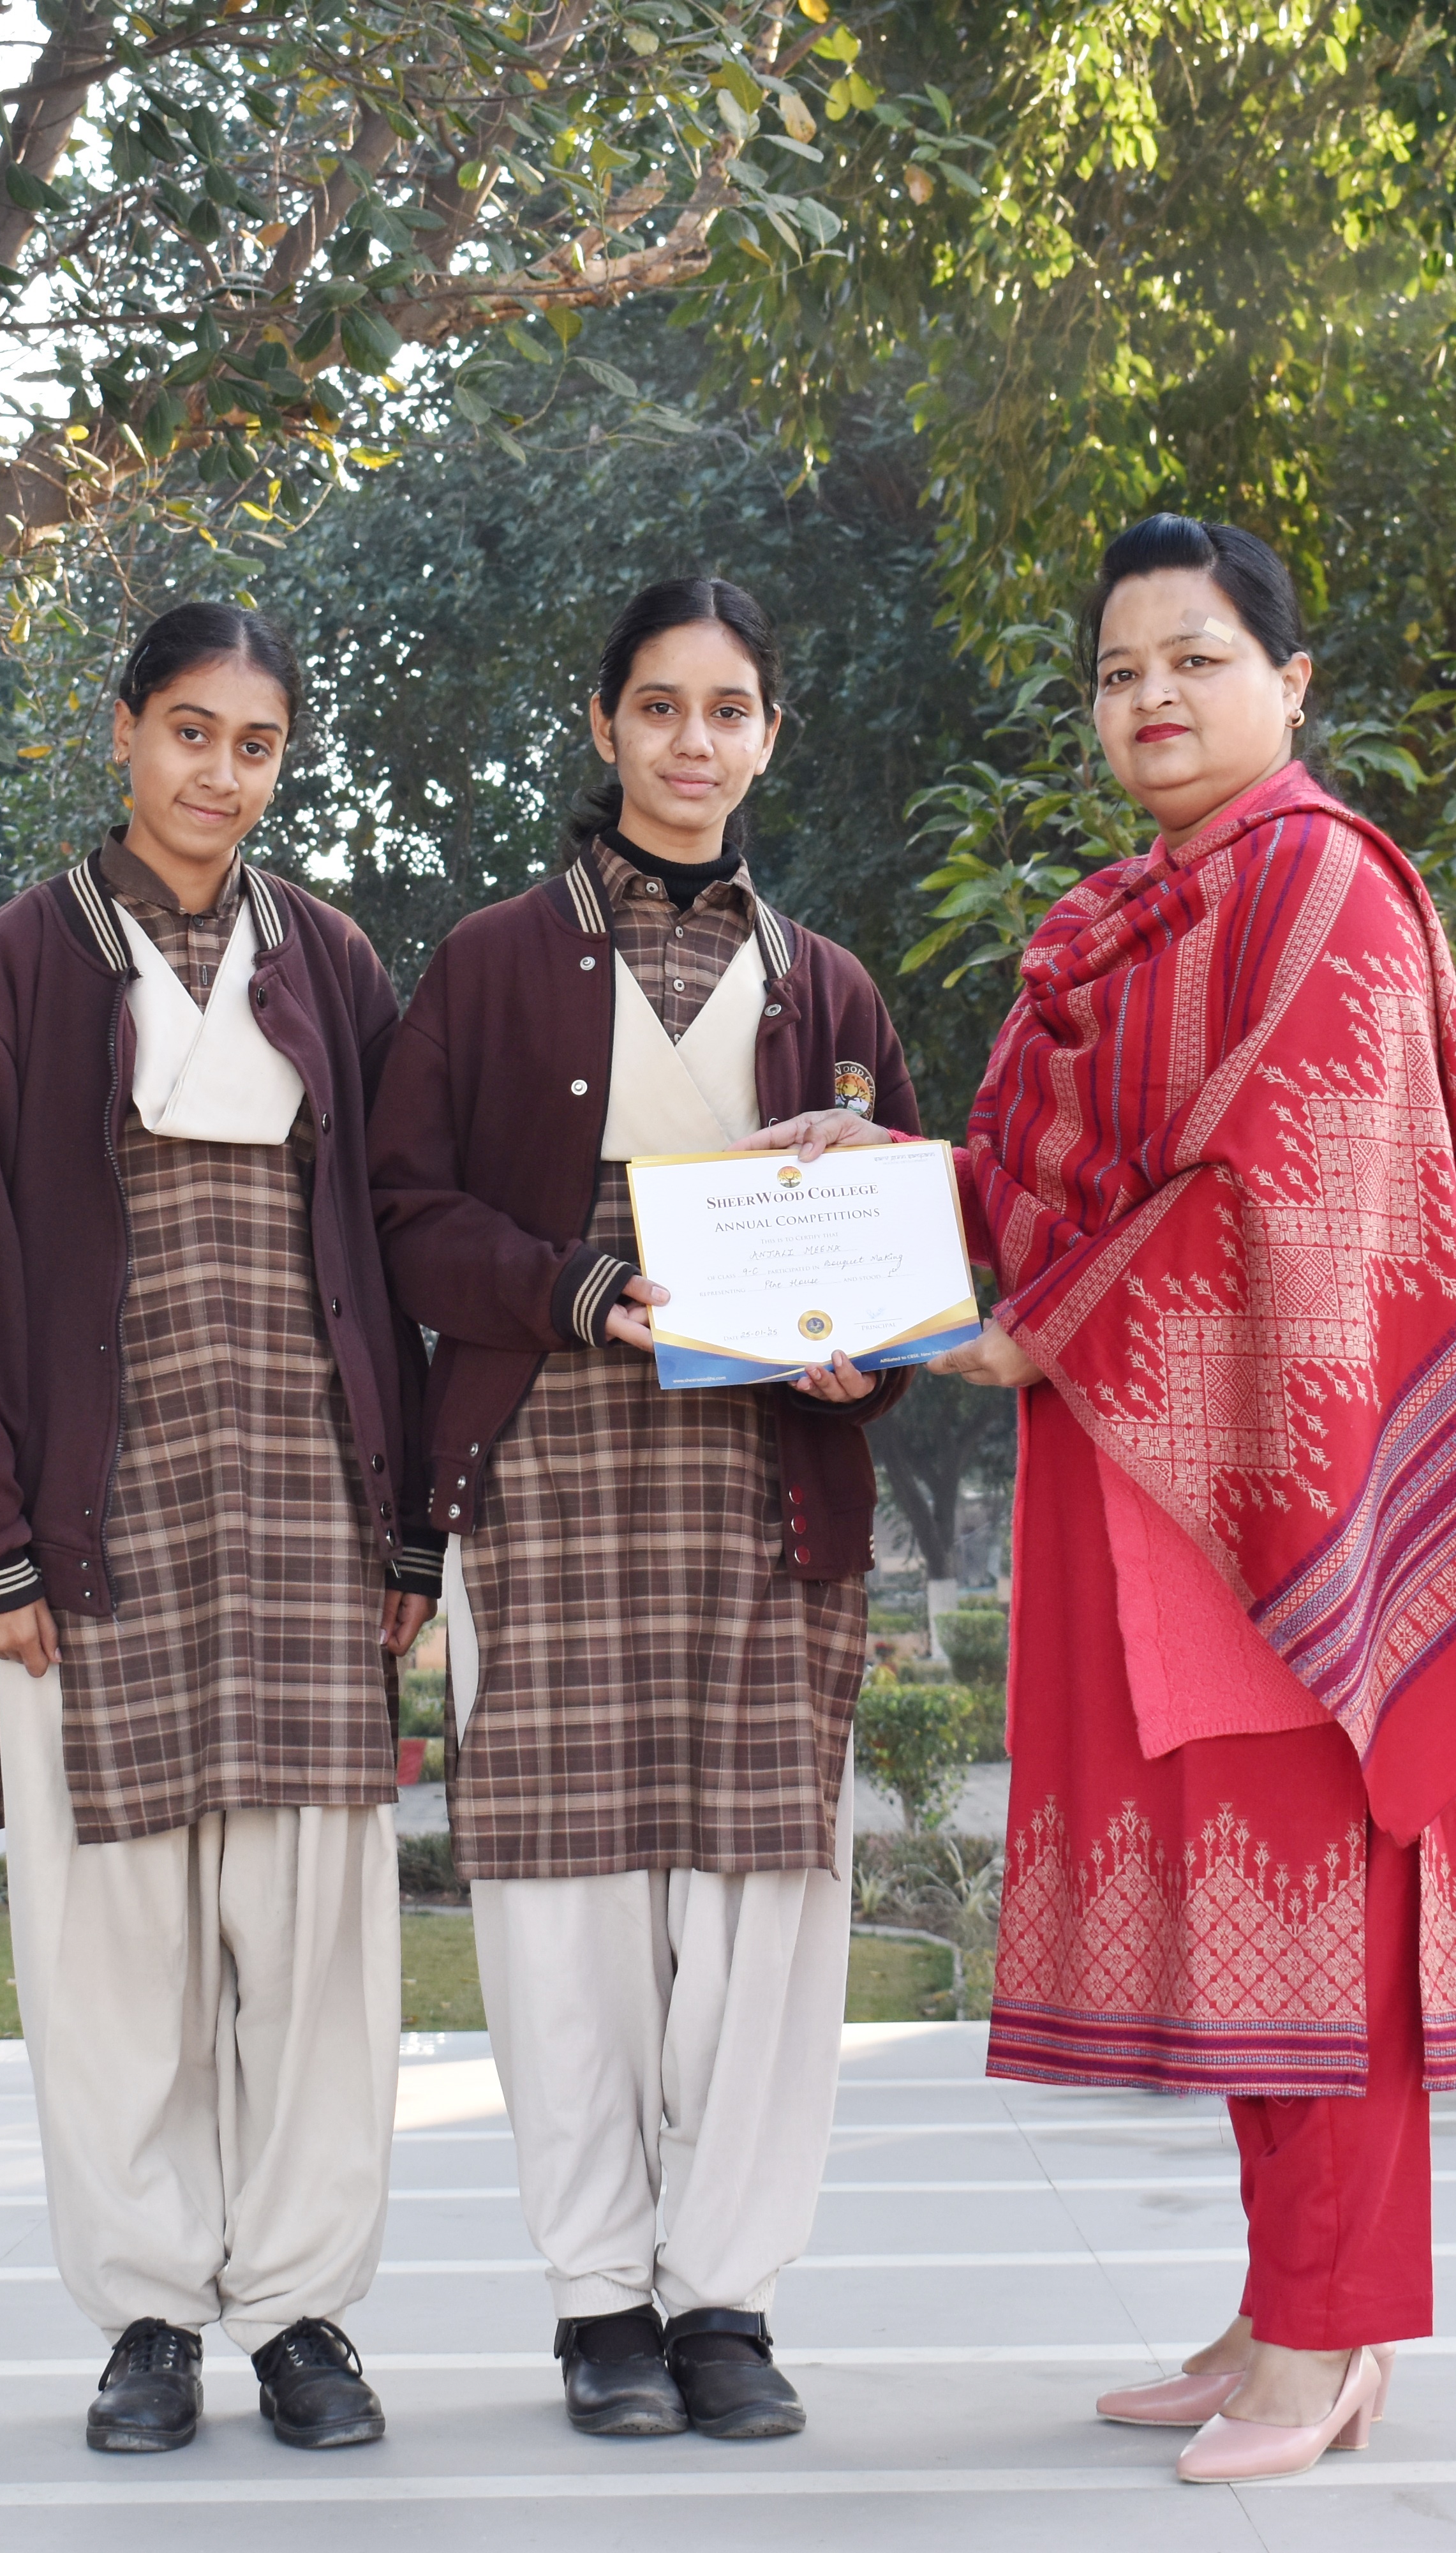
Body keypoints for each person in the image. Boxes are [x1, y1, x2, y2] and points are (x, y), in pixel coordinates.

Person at [920, 515, 1456, 2480]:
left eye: (1195, 658)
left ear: (1292, 682)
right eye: (1118, 671)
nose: (1152, 698)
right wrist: (841, 1206)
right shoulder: (1125, 920)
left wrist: (1049, 1327)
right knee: (1239, 1922)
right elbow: (1009, 1182)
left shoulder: (1328, 893)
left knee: (1322, 1916)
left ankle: (1336, 2339)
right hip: (1145, 1485)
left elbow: (1286, 1186)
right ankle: (1278, 2303)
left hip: (1300, 1499)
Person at [371, 575, 917, 2444]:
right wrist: (584, 1292)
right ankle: (603, 2298)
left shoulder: (835, 987)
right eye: (662, 707)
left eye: (732, 710)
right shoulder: (490, 962)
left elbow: (904, 1250)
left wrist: (871, 1357)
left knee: (767, 1892)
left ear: (772, 736)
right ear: (602, 726)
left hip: (769, 1492)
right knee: (569, 1894)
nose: (696, 743)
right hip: (550, 1481)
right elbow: (407, 1215)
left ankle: (728, 2302)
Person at [0, 602, 436, 2455]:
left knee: (311, 1944)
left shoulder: (340, 964)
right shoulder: (20, 965)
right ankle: (147, 2312)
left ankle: (300, 2311)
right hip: (101, 1534)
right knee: (114, 1945)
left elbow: (391, 1253)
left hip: (306, 1513)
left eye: (258, 744)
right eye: (191, 733)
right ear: (122, 732)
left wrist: (413, 1535)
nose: (222, 773)